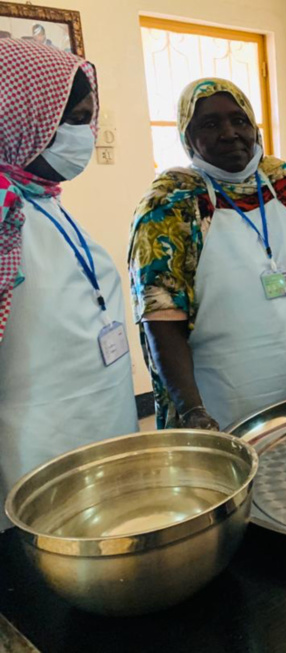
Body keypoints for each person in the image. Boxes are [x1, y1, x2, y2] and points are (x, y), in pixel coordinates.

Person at [129, 79, 286, 431]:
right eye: (210, 124)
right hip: (225, 401)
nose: (230, 133)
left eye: (239, 120)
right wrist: (193, 412)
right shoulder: (170, 205)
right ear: (188, 137)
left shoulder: (285, 184)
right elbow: (161, 324)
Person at [0, 40, 138, 529]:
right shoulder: (3, 215)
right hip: (38, 455)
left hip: (104, 428)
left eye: (88, 117)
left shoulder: (42, 199)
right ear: (20, 117)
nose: (87, 133)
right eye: (73, 119)